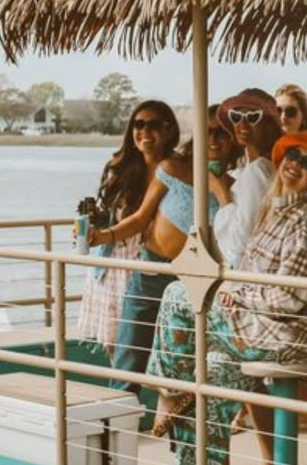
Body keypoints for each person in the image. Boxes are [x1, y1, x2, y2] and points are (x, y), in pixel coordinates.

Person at [147, 132, 307, 465]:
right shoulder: (282, 212)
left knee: (177, 295)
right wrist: (237, 292)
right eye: (292, 156)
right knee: (213, 369)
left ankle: (169, 393)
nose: (295, 164)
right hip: (264, 327)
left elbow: (286, 298)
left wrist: (235, 293)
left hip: (285, 334)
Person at [89, 104, 222, 393]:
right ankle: (116, 432)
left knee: (183, 368)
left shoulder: (226, 182)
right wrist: (101, 236)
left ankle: (180, 435)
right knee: (127, 360)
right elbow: (139, 219)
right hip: (148, 271)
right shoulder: (170, 168)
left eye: (220, 133)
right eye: (207, 131)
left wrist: (217, 185)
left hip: (191, 278)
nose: (212, 138)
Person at [76, 100, 177, 359]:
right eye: (138, 124)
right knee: (116, 345)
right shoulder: (120, 169)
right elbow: (108, 214)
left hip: (153, 265)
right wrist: (92, 226)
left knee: (158, 345)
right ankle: (126, 398)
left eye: (153, 125)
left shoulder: (178, 170)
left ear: (168, 130)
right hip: (115, 265)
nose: (145, 131)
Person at [211, 88, 283, 267]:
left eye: (252, 117)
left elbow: (240, 241)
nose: (242, 124)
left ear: (268, 124)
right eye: (236, 117)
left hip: (247, 276)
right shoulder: (259, 169)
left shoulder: (257, 171)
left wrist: (221, 194)